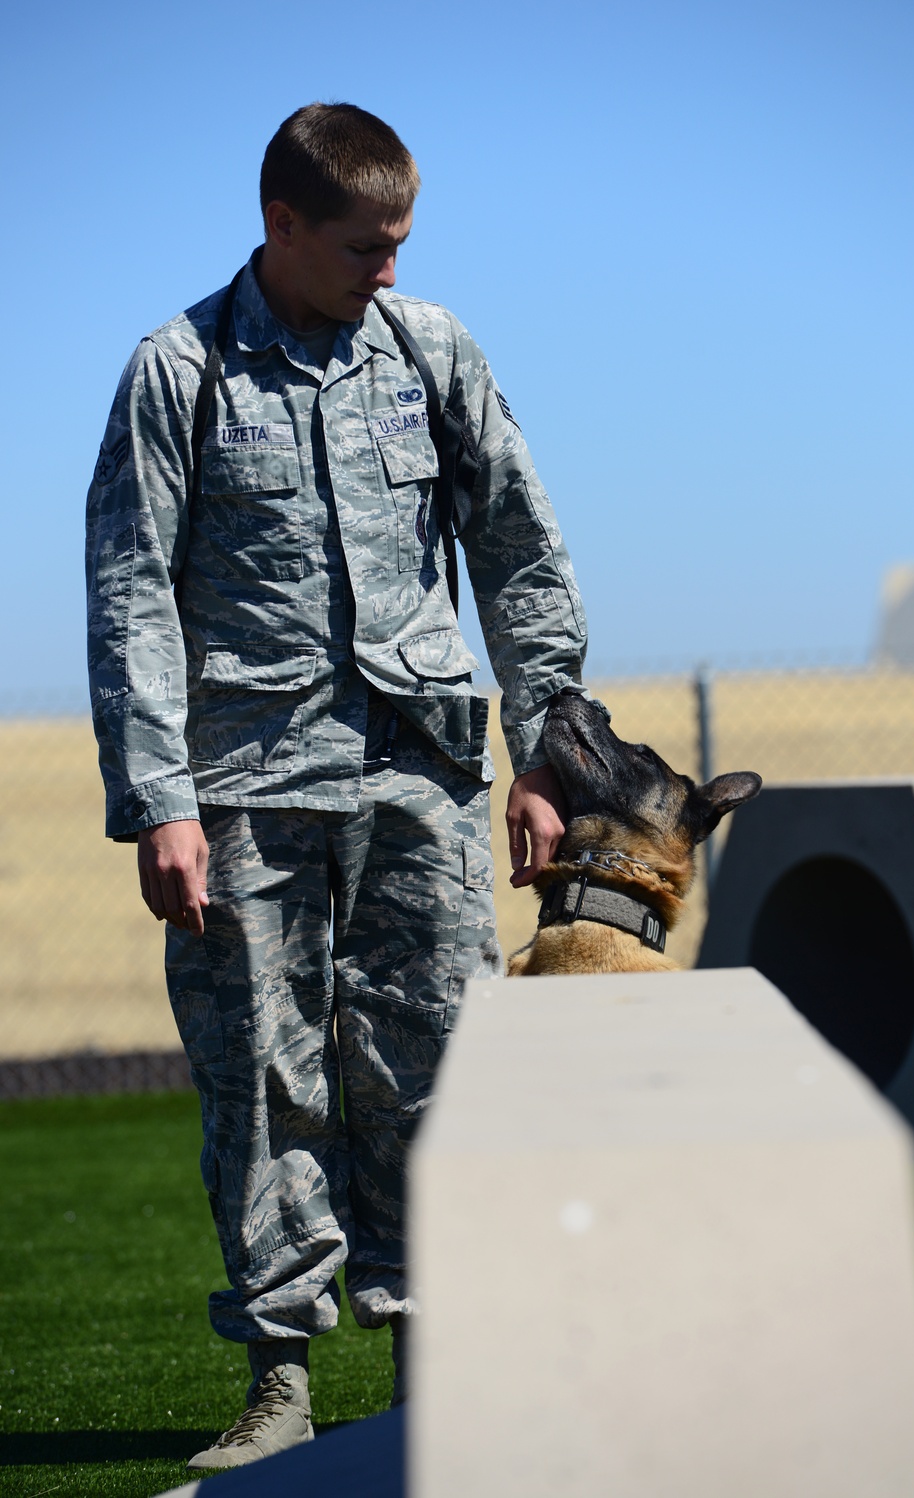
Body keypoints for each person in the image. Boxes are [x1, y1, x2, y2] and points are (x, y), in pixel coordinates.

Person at [85, 102, 589, 1470]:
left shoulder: (434, 351)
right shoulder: (178, 371)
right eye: (364, 245)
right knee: (264, 1080)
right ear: (282, 226)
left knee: (438, 1069)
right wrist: (161, 799)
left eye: (402, 243)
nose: (387, 268)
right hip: (248, 788)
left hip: (419, 781)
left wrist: (544, 748)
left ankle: (441, 1370)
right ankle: (284, 1382)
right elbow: (130, 594)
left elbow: (520, 553)